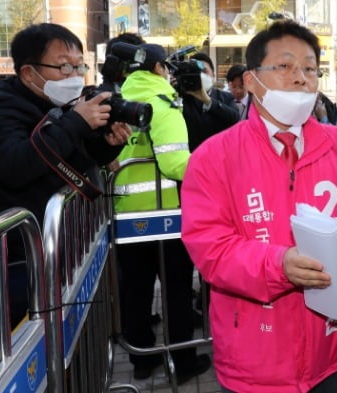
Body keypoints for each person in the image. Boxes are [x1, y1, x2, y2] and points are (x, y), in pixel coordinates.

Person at [180, 20, 337, 393]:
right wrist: (278, 265)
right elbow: (209, 246)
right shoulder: (214, 157)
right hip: (253, 358)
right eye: (285, 66)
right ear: (250, 81)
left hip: (327, 350)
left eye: (310, 68)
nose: (300, 78)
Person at [0, 23, 131, 357]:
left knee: (67, 353)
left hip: (51, 260)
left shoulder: (55, 106)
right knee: (26, 358)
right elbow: (15, 165)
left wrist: (104, 147)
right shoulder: (0, 108)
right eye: (63, 65)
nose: (74, 74)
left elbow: (61, 161)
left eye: (79, 65)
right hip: (14, 268)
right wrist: (76, 122)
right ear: (28, 72)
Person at [113, 43, 210, 383]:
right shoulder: (164, 105)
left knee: (135, 290)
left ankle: (142, 360)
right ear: (158, 69)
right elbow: (174, 163)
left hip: (126, 215)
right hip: (165, 215)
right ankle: (183, 362)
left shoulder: (116, 103)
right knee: (177, 292)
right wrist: (211, 165)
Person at [180, 52, 240, 152]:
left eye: (205, 71)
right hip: (192, 156)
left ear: (213, 75)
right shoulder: (183, 98)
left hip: (219, 155)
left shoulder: (225, 97)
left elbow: (235, 118)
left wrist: (208, 101)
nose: (201, 76)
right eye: (197, 72)